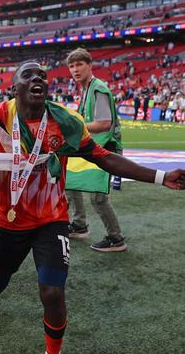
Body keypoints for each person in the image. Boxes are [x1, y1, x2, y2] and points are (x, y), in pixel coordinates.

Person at [0, 61, 185, 354]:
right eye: (28, 75)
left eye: (42, 76)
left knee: (52, 292)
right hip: (10, 221)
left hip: (52, 220)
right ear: (14, 88)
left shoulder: (65, 121)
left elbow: (104, 157)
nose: (37, 78)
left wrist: (161, 177)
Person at [65, 48, 126, 252]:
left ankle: (116, 239)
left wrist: (75, 124)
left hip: (107, 147)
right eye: (72, 66)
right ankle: (79, 225)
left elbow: (103, 124)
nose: (75, 69)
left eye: (79, 64)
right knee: (71, 181)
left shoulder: (98, 88)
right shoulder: (87, 89)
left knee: (98, 196)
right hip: (93, 146)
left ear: (89, 66)